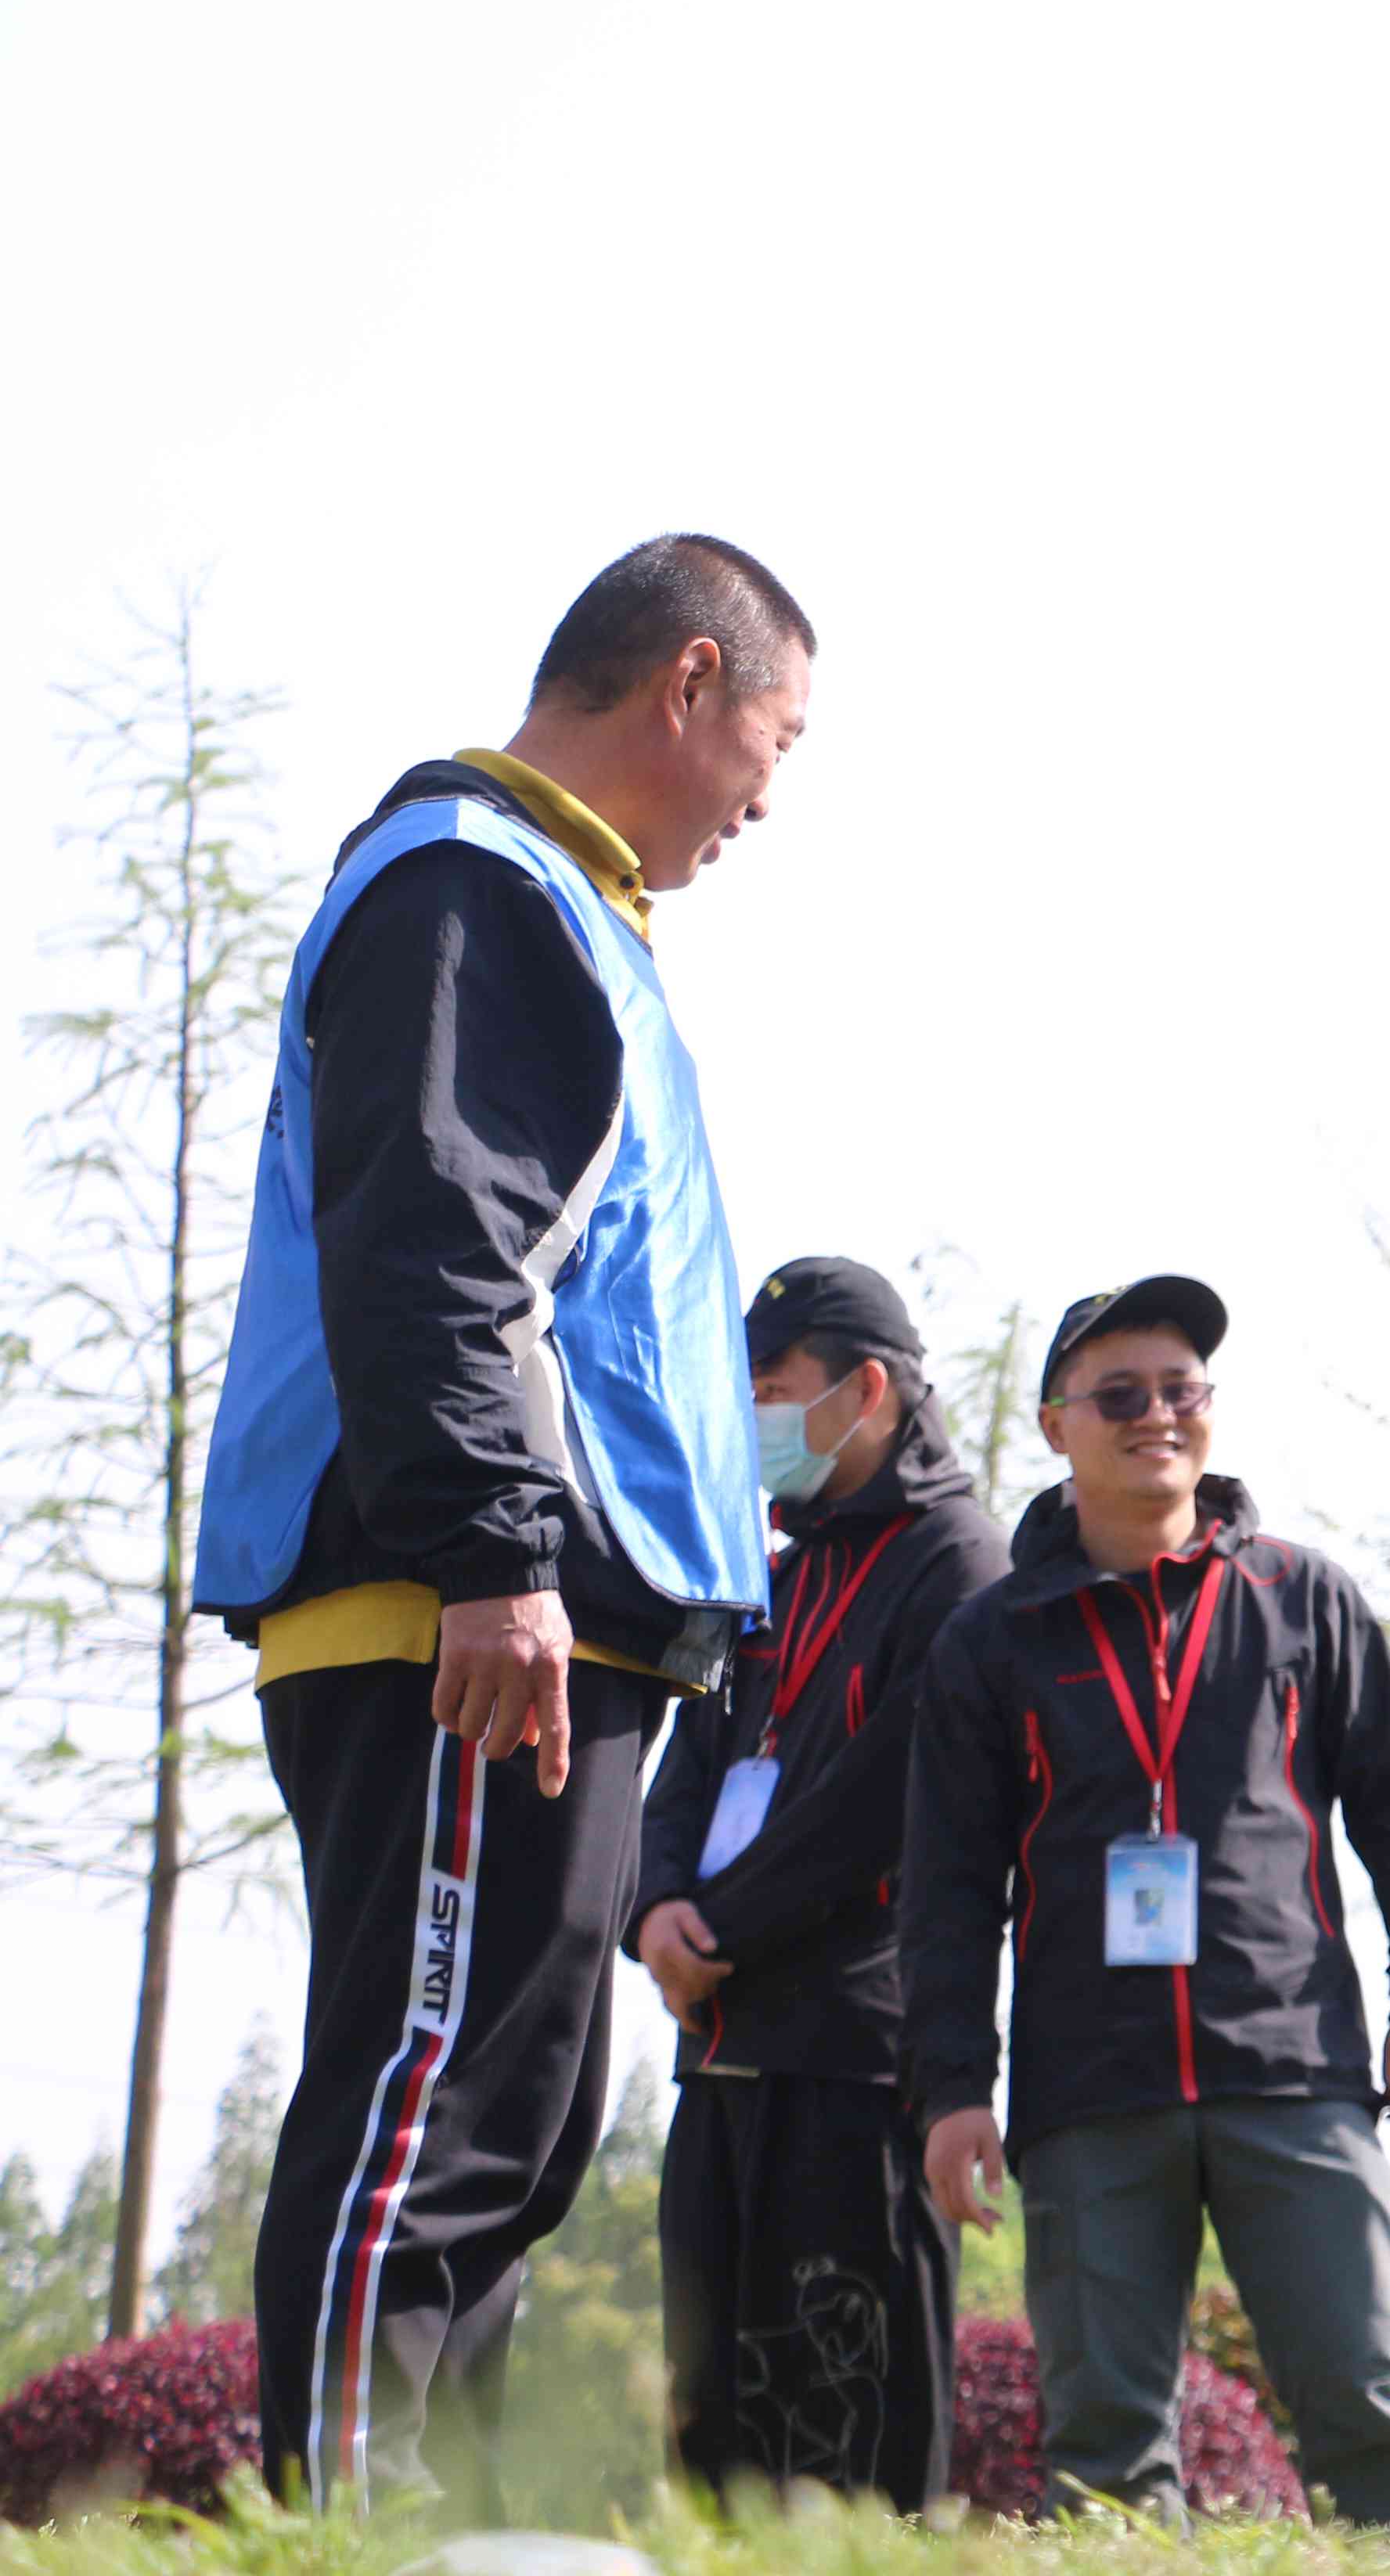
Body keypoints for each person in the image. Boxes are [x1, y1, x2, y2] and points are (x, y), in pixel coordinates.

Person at [196, 534, 810, 2506]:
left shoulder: (567, 905)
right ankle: (346, 2534)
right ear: (691, 683)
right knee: (428, 2102)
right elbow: (433, 1238)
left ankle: (437, 2534)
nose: (768, 800)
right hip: (461, 1607)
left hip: (564, 1613)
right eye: (774, 743)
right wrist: (490, 1553)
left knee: (512, 2132)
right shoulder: (475, 882)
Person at [897, 1278, 1390, 2528]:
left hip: (1295, 2070)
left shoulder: (1302, 1598)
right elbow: (946, 1887)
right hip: (1090, 2088)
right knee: (1103, 2450)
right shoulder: (990, 1642)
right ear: (1058, 1426)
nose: (1155, 1415)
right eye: (1119, 1396)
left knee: (1376, 2411)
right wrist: (951, 2089)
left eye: (1181, 1390)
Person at [631, 1257, 1009, 2507]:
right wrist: (654, 1908)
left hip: (856, 2055)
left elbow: (881, 1800)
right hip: (718, 2038)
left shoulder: (961, 1564)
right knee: (712, 2426)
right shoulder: (768, 1570)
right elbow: (690, 1762)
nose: (750, 1419)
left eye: (772, 1390)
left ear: (868, 1392)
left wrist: (717, 1924)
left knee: (847, 2423)